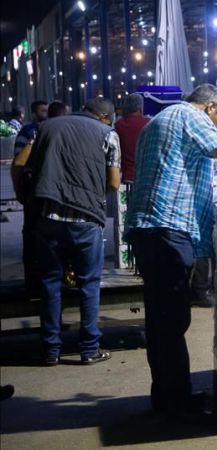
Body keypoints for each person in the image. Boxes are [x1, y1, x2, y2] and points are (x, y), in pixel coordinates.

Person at [125, 84, 217, 417]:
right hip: (167, 228)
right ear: (210, 107)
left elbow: (174, 172)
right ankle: (177, 405)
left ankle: (166, 398)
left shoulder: (157, 121)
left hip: (148, 227)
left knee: (160, 321)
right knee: (172, 320)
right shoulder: (191, 115)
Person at [24, 97, 120, 366]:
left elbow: (24, 165)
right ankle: (89, 349)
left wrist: (26, 197)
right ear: (104, 117)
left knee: (50, 283)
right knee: (89, 284)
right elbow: (114, 182)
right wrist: (91, 194)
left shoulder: (45, 127)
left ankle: (50, 350)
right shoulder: (107, 133)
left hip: (48, 217)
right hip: (86, 220)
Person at [10, 101, 48, 293]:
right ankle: (32, 281)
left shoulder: (49, 130)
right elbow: (19, 160)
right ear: (34, 113)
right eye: (42, 110)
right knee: (32, 231)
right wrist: (19, 190)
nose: (45, 113)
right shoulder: (27, 132)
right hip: (32, 188)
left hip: (42, 188)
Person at [114, 93, 150, 184]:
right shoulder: (149, 124)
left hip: (124, 175)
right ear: (140, 108)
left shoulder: (118, 125)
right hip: (143, 175)